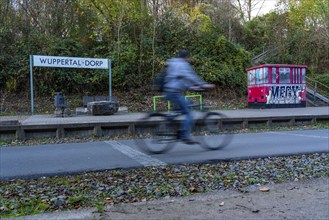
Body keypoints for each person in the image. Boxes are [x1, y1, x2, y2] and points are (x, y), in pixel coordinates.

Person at [163, 50, 215, 144]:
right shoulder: (182, 65)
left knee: (188, 103)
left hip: (169, 91)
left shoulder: (174, 63)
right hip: (175, 93)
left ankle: (171, 121)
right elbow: (191, 77)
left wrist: (195, 88)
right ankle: (185, 136)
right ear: (186, 57)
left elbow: (183, 81)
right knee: (189, 114)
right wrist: (204, 85)